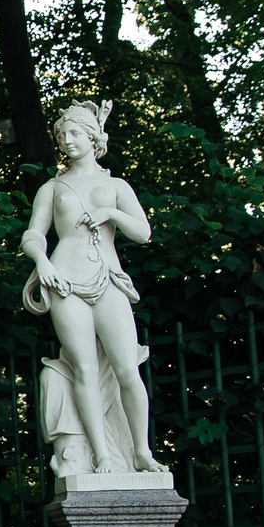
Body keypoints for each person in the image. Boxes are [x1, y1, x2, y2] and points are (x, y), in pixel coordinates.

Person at [20, 99, 164, 476]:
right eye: (61, 135)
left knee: (127, 368)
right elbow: (33, 234)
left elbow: (143, 232)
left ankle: (141, 452)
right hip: (65, 282)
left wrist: (110, 213)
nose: (67, 140)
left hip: (108, 279)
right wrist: (43, 262)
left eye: (74, 133)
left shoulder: (116, 185)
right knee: (83, 369)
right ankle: (101, 454)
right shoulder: (53, 187)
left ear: (93, 136)